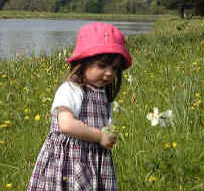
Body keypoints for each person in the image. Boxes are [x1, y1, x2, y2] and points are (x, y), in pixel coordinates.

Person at [27, 22, 132, 191]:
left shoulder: (102, 94)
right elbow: (66, 125)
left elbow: (104, 124)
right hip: (69, 161)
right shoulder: (71, 89)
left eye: (114, 68)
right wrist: (99, 137)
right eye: (102, 65)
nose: (109, 73)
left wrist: (108, 135)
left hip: (93, 160)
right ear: (83, 63)